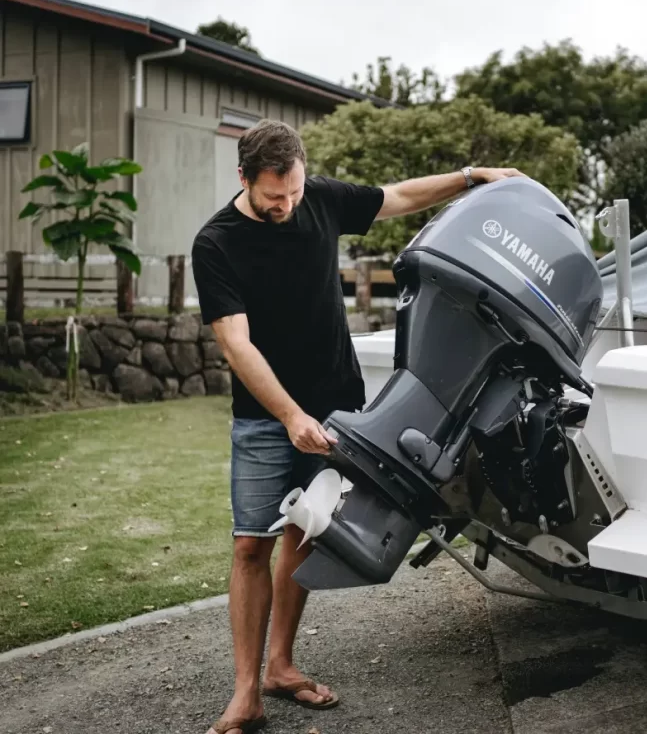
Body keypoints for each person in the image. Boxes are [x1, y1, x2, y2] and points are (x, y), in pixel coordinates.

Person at [192, 118, 522, 734]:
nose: (286, 206)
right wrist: (289, 416)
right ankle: (245, 694)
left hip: (338, 407)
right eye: (273, 198)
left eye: (292, 191)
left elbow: (394, 197)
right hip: (266, 420)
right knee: (249, 545)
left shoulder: (316, 198)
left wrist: (472, 177)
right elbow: (235, 344)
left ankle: (280, 667)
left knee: (307, 531)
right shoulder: (216, 244)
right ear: (243, 178)